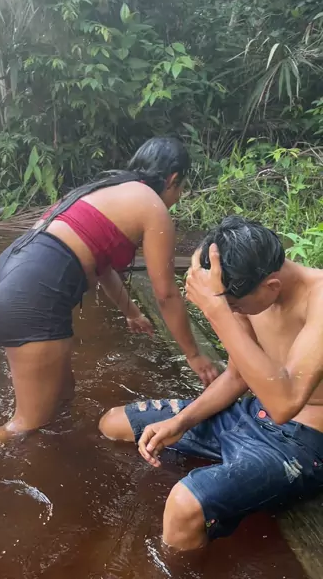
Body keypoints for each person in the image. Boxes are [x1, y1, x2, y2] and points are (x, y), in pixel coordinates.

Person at [99, 215, 323, 550]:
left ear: (272, 286)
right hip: (251, 412)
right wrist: (180, 422)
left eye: (236, 306)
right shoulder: (252, 290)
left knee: (183, 506)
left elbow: (284, 404)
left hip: (301, 443)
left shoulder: (318, 299)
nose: (233, 311)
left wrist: (218, 310)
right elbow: (237, 375)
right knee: (114, 424)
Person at [0, 137, 218, 451]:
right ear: (173, 179)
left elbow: (101, 265)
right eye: (181, 187)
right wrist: (194, 355)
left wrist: (132, 312)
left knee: (63, 396)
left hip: (7, 278)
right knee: (27, 425)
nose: (179, 195)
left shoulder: (106, 188)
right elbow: (166, 294)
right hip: (32, 296)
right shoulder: (152, 206)